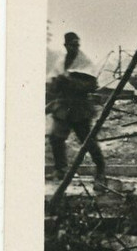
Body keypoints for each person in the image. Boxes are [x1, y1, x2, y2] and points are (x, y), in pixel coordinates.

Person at [46, 32, 107, 188]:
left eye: (77, 45)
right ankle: (61, 169)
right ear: (66, 45)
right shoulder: (61, 63)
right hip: (64, 106)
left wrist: (71, 81)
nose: (75, 48)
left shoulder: (84, 62)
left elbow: (91, 85)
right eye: (72, 45)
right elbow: (53, 86)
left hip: (80, 108)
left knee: (87, 141)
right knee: (56, 138)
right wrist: (58, 82)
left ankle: (101, 171)